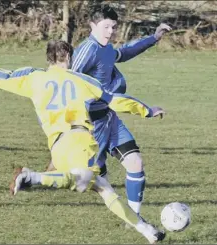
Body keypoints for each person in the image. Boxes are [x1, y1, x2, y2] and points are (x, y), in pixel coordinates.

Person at [0, 41, 165, 244]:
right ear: (69, 57)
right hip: (79, 139)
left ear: (49, 59)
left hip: (57, 146)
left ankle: (148, 232)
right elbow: (114, 100)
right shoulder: (82, 80)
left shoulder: (33, 78)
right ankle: (32, 177)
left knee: (104, 189)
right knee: (84, 180)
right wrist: (146, 111)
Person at [47, 4, 170, 215]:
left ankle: (134, 217)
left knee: (135, 162)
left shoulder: (107, 49)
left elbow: (125, 52)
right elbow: (67, 80)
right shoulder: (88, 50)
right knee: (86, 179)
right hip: (89, 125)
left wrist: (153, 38)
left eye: (113, 27)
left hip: (109, 118)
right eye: (106, 27)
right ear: (92, 25)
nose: (111, 32)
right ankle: (34, 176)